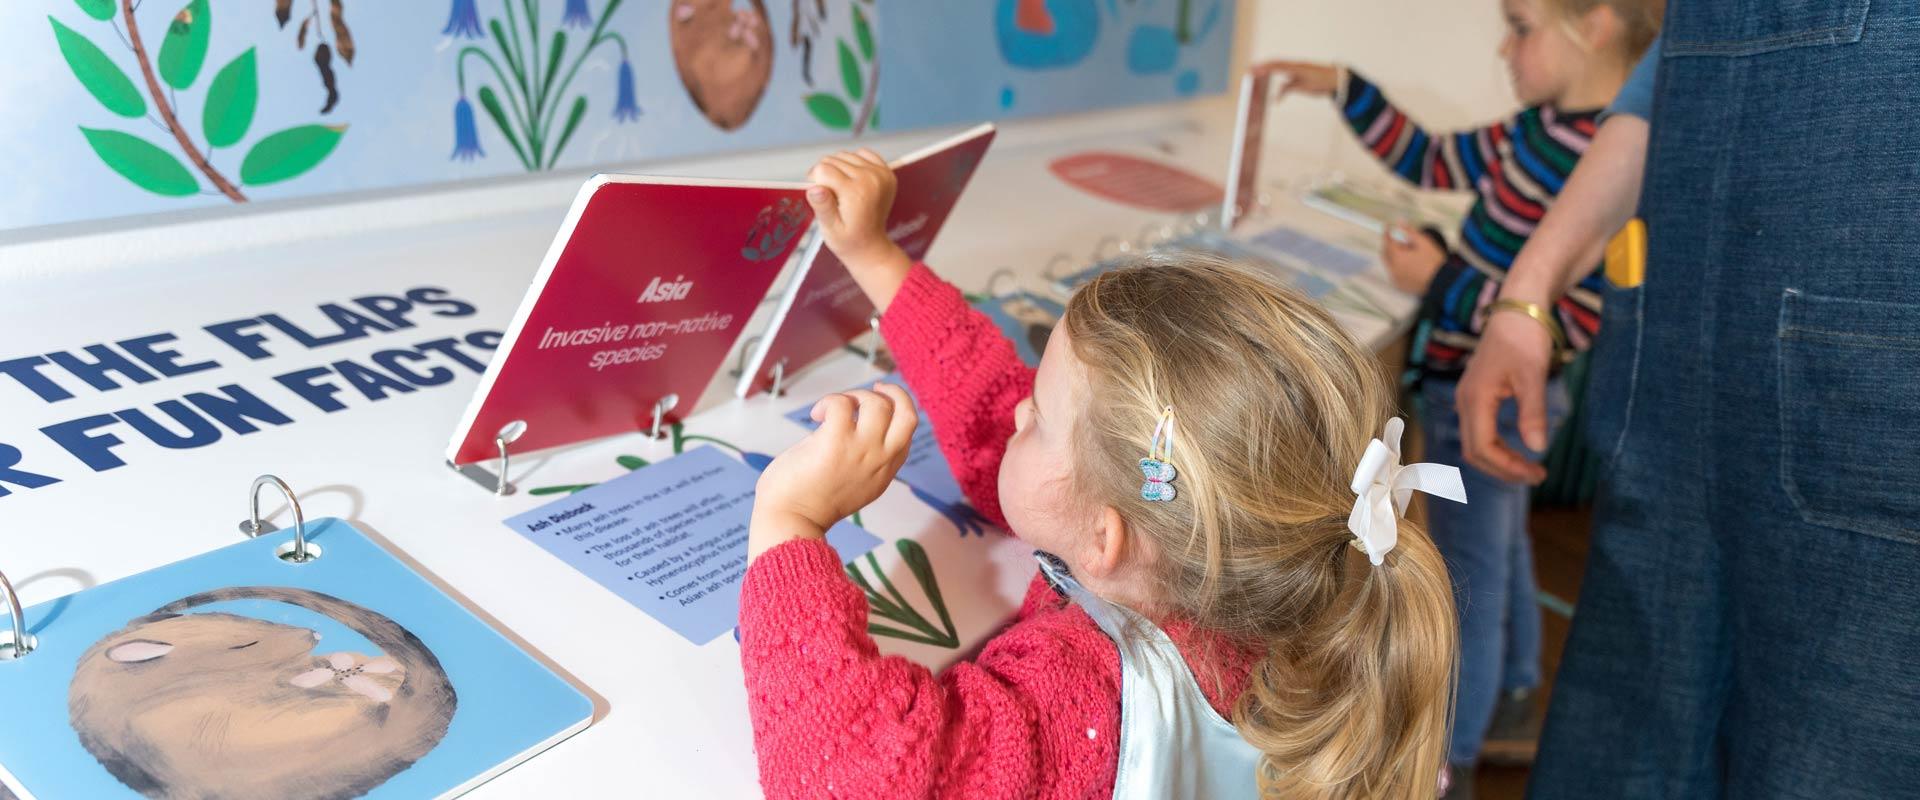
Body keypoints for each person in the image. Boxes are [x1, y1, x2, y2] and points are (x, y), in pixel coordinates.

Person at [736, 148, 1466, 798]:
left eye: (1040, 416)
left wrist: (787, 527)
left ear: (1106, 542)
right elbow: (1007, 427)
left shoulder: (1077, 693)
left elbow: (849, 773)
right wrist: (872, 255)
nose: (1018, 410)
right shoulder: (1282, 575)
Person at [1476, 0, 1920, 794]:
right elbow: (1664, 77)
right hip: (1670, 373)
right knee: (1619, 750)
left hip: (1876, 398)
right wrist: (1527, 291)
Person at [1257, 0, 1662, 784]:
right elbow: (1432, 159)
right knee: (1501, 547)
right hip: (1456, 387)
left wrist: (1438, 279)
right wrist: (1343, 84)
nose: (1505, 50)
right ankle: (1512, 689)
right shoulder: (1533, 129)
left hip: (1496, 400)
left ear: (1598, 24)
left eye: (1521, 27)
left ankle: (1450, 762)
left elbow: (1569, 322)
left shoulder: (1609, 166)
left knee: (1464, 581)